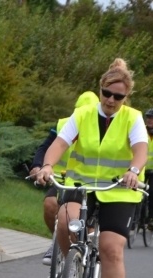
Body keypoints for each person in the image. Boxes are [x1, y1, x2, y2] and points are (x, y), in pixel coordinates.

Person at [34, 58, 148, 278]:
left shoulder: (133, 118)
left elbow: (140, 149)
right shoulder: (83, 114)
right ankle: (72, 270)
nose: (111, 100)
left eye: (118, 97)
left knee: (111, 249)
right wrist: (47, 166)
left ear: (126, 96)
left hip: (118, 189)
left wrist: (134, 171)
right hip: (82, 184)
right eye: (107, 94)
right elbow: (60, 143)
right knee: (64, 222)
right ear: (100, 90)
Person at [30, 91, 100, 265]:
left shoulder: (102, 128)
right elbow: (45, 147)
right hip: (62, 179)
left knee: (88, 223)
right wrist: (38, 165)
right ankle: (57, 241)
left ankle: (85, 254)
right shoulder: (65, 123)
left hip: (90, 182)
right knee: (50, 204)